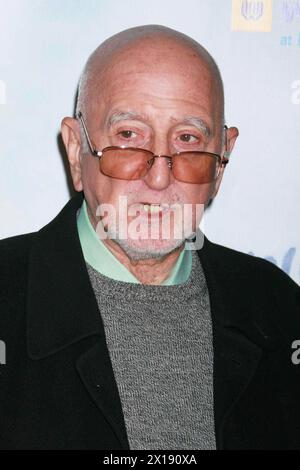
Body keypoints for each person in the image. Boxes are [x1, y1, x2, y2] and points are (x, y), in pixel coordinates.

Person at [0, 24, 299, 451]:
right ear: (74, 149)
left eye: (188, 139)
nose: (160, 177)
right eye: (128, 135)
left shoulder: (279, 309)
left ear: (222, 161)